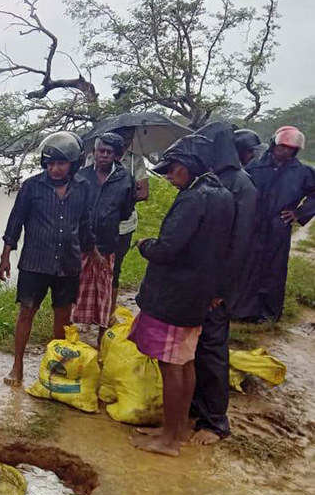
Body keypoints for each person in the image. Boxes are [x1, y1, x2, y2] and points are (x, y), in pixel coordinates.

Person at [130, 135, 234, 457]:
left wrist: (146, 245)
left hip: (175, 296)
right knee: (185, 363)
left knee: (170, 367)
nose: (170, 176)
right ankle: (173, 429)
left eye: (173, 170)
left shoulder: (193, 198)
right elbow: (225, 250)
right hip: (198, 296)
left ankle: (170, 440)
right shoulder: (223, 195)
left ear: (188, 167)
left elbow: (170, 248)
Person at [0, 131, 98, 386]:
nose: (55, 169)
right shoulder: (32, 186)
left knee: (62, 318)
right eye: (50, 163)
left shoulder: (83, 188)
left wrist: (93, 252)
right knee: (26, 313)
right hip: (35, 263)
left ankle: (55, 367)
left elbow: (85, 224)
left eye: (61, 164)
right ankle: (17, 366)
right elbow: (15, 222)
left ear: (73, 164)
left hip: (68, 264)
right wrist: (6, 256)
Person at [188, 122, 258, 446]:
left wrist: (220, 291)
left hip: (217, 287)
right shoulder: (212, 180)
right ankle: (195, 408)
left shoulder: (240, 185)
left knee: (213, 350)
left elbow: (239, 245)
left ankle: (215, 422)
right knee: (195, 349)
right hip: (199, 279)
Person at [231, 126, 315, 323]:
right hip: (253, 224)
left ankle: (268, 312)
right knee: (246, 264)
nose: (284, 151)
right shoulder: (255, 166)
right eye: (282, 146)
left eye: (290, 148)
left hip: (279, 226)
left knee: (274, 270)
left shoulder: (303, 172)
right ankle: (241, 310)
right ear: (274, 144)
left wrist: (299, 213)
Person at [73, 133, 135, 343]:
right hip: (80, 243)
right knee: (75, 290)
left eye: (109, 153)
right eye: (101, 151)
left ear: (117, 156)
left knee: (104, 291)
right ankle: (72, 336)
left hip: (108, 243)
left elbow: (126, 210)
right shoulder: (81, 176)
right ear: (94, 152)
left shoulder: (125, 178)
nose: (105, 156)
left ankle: (100, 340)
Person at [110, 127, 150, 316]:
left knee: (115, 268)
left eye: (129, 137)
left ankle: (108, 311)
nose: (125, 141)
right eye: (122, 137)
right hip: (97, 224)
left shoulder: (135, 160)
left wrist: (120, 197)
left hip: (124, 224)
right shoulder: (98, 157)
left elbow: (144, 192)